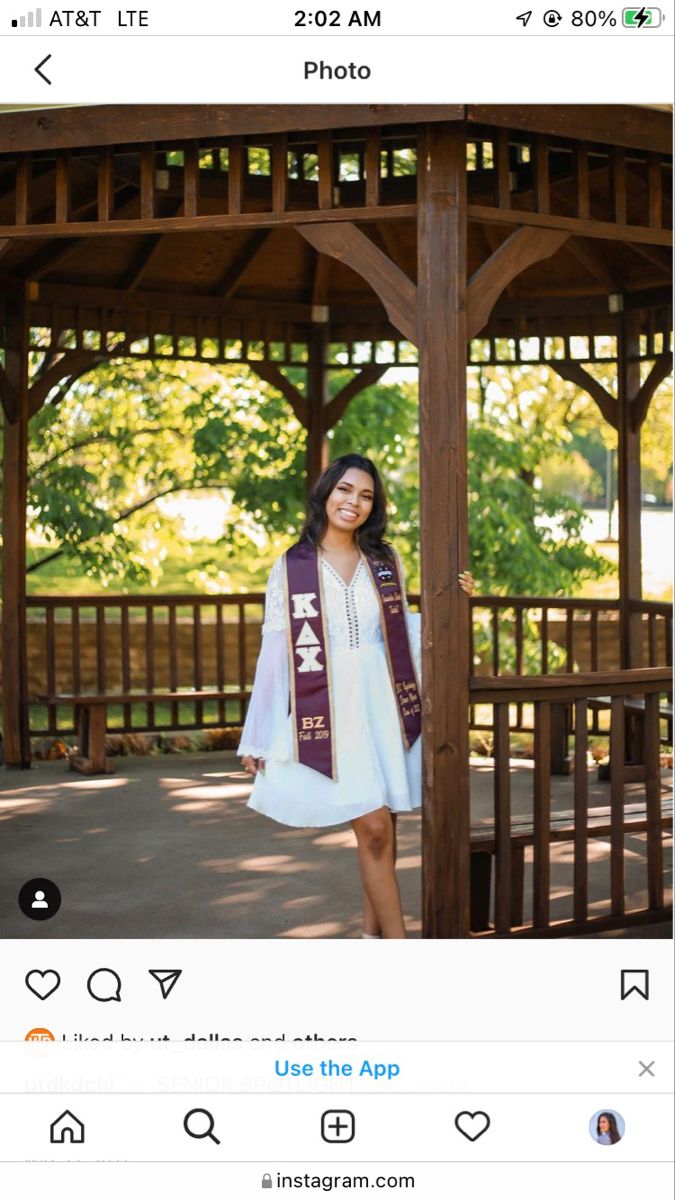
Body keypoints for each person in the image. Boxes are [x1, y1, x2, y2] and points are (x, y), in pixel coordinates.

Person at [238, 453, 474, 939]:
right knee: (372, 828)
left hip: (382, 702)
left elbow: (405, 633)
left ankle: (372, 939)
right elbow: (276, 653)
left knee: (384, 826)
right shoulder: (291, 567)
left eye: (366, 495)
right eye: (346, 490)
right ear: (326, 492)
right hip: (329, 705)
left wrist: (455, 600)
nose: (354, 502)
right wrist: (257, 736)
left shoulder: (385, 561)